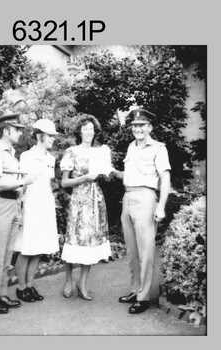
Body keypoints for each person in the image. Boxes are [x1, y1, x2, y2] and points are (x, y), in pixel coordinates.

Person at [111, 108, 171, 314]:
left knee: (146, 250)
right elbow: (129, 176)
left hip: (146, 199)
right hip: (128, 197)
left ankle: (143, 297)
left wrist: (161, 205)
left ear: (150, 127)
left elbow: (165, 179)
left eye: (142, 125)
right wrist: (112, 172)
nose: (138, 129)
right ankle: (135, 289)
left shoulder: (158, 148)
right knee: (132, 250)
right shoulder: (131, 147)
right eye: (135, 126)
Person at [0, 113, 39, 314]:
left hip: (12, 204)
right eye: (17, 129)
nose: (20, 133)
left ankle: (2, 294)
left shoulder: (10, 153)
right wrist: (24, 181)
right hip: (0, 204)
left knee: (7, 255)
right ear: (6, 131)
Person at [60, 114, 112, 301]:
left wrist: (107, 170)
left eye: (91, 128)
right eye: (85, 128)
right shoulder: (71, 152)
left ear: (94, 131)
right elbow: (65, 183)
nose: (89, 131)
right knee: (74, 239)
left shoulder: (100, 152)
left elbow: (107, 178)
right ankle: (68, 279)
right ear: (79, 131)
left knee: (90, 241)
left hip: (95, 199)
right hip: (79, 200)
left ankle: (82, 282)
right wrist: (84, 177)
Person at [14, 119, 60, 302]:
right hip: (31, 205)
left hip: (45, 206)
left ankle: (30, 285)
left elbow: (50, 185)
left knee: (38, 248)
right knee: (26, 248)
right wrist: (19, 209)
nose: (53, 139)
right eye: (51, 136)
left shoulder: (51, 158)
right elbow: (21, 185)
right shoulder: (26, 156)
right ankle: (21, 287)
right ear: (41, 136)